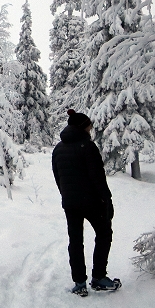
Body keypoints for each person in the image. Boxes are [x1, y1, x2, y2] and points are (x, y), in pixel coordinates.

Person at [51, 109, 120, 296]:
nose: (91, 129)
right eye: (89, 126)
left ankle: (79, 283)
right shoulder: (88, 147)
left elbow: (58, 178)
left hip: (70, 203)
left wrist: (67, 195)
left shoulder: (58, 149)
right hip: (92, 202)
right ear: (83, 127)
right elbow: (98, 178)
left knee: (75, 241)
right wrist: (107, 200)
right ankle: (98, 278)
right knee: (104, 233)